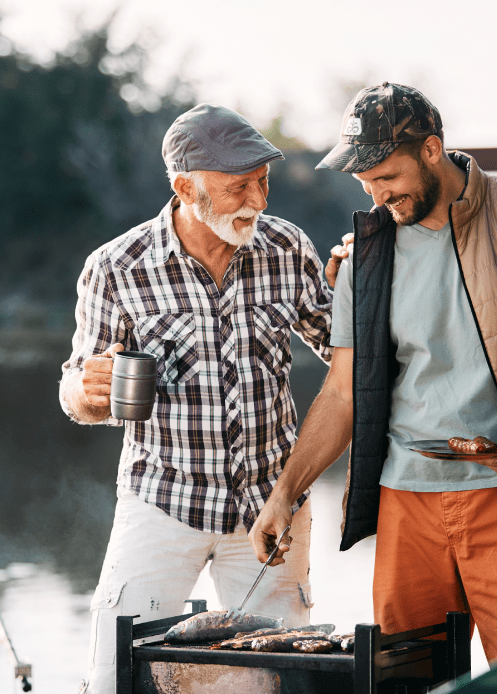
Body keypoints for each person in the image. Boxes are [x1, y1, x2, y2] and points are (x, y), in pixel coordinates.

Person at [249, 83, 497, 663]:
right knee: (405, 680)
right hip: (404, 505)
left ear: (431, 151)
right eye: (365, 183)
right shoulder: (363, 256)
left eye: (387, 178)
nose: (376, 195)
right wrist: (284, 495)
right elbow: (342, 392)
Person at [59, 103, 335, 693]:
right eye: (239, 186)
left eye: (264, 181)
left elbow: (348, 358)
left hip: (273, 505)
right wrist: (86, 390)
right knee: (113, 673)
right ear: (186, 187)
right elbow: (78, 389)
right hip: (161, 500)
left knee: (285, 676)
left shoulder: (289, 249)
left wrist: (364, 288)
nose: (258, 200)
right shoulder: (115, 267)